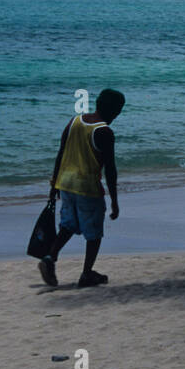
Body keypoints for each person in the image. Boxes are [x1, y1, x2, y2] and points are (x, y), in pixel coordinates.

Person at [40, 88, 125, 288]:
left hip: (66, 184)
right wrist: (114, 201)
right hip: (87, 187)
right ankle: (86, 273)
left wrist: (54, 185)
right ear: (113, 110)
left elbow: (60, 153)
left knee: (68, 225)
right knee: (94, 234)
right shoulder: (104, 131)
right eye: (118, 111)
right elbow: (110, 170)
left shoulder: (75, 121)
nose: (118, 115)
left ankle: (50, 258)